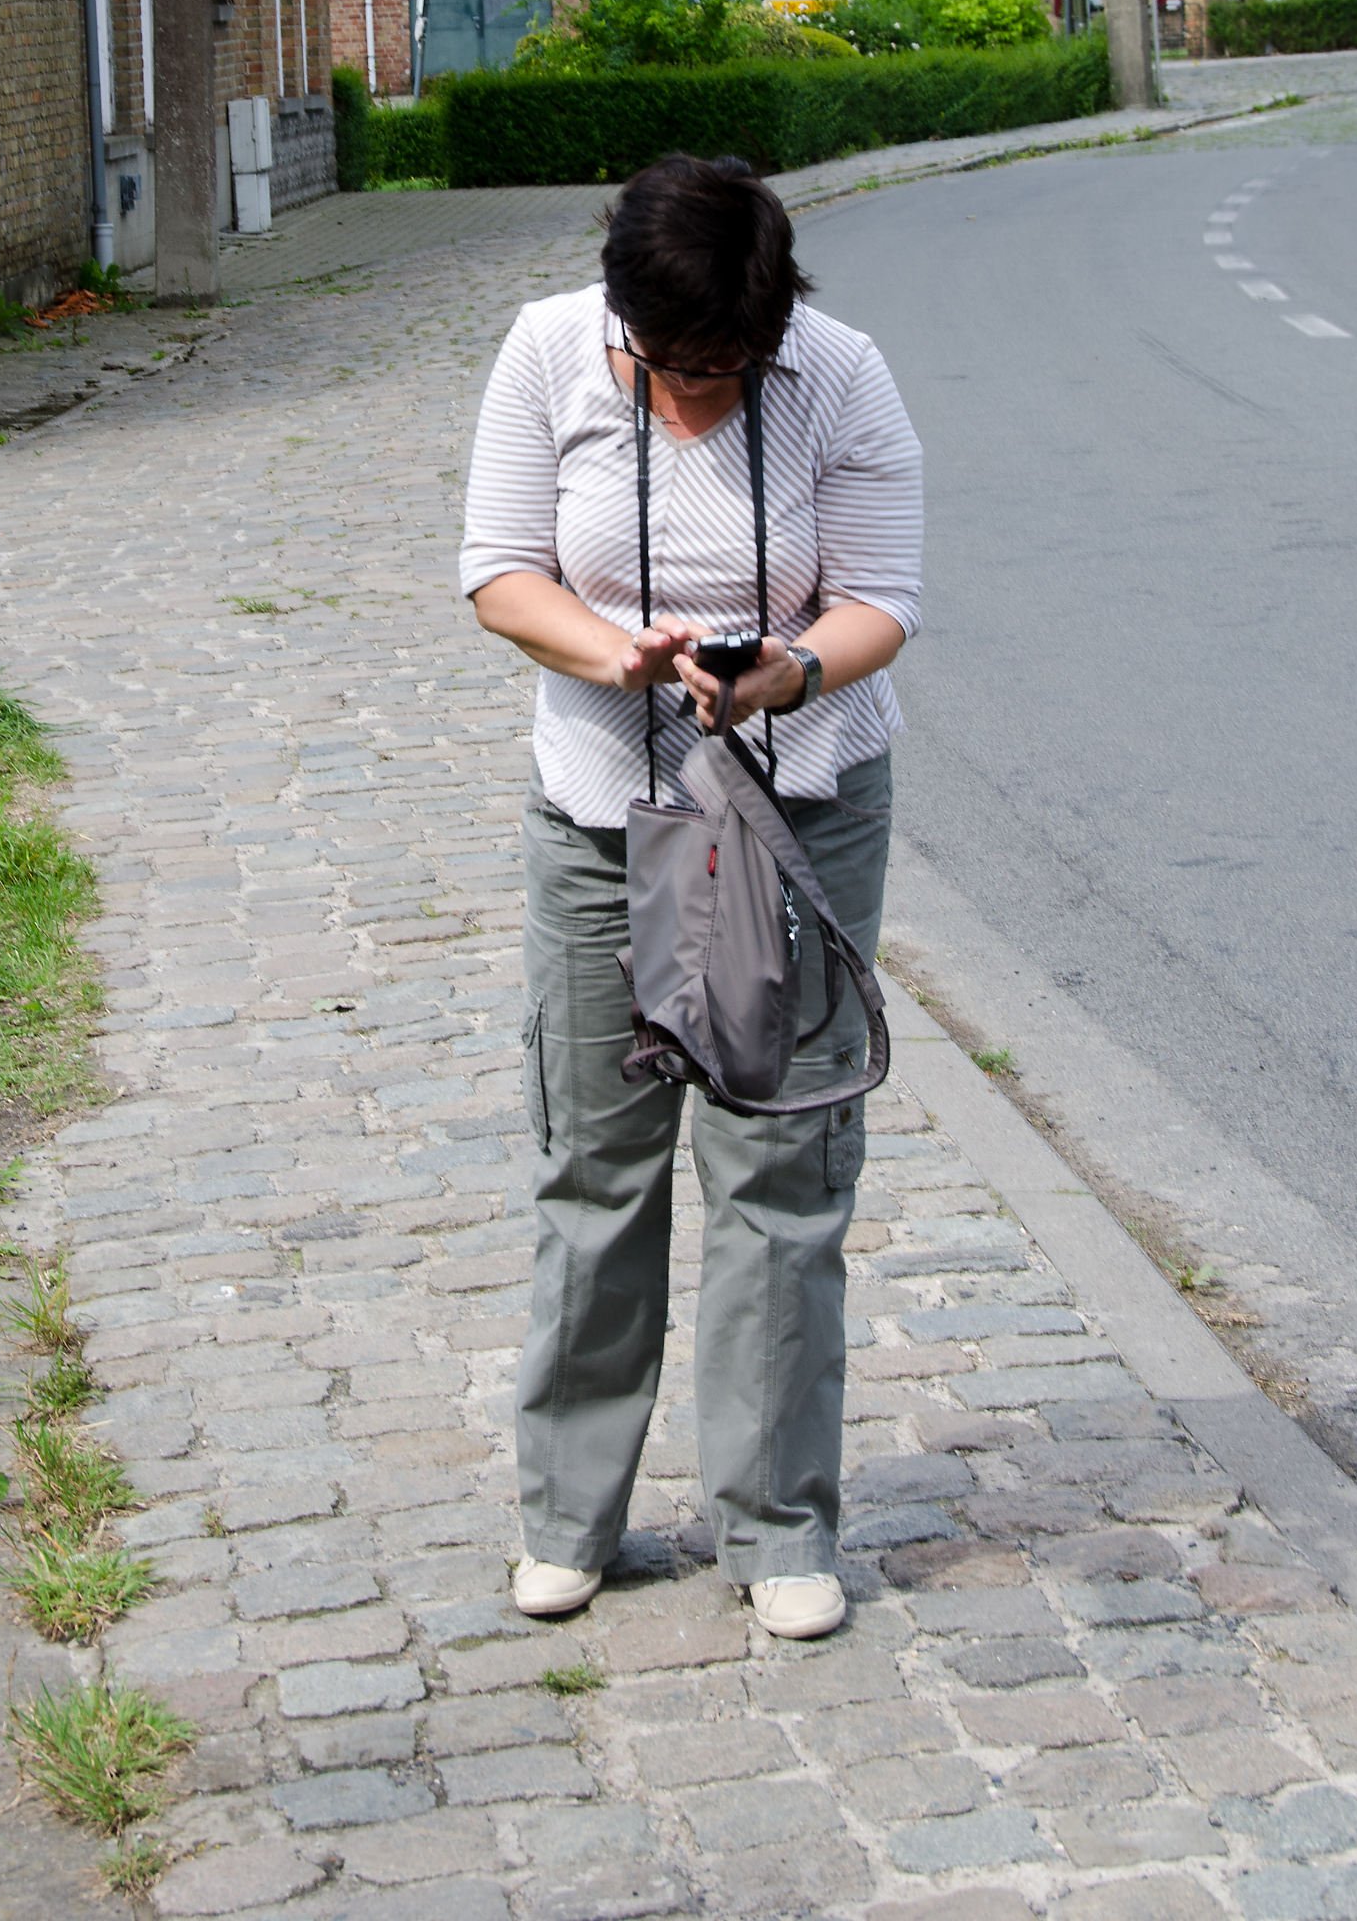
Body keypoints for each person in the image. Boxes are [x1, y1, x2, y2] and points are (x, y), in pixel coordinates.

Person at [461, 151, 923, 1641]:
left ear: (776, 325)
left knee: (782, 1167)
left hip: (799, 817)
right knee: (597, 1167)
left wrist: (791, 670)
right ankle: (568, 1517)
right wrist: (619, 656)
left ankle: (781, 1526)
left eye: (729, 366)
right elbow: (500, 571)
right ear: (622, 320)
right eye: (670, 365)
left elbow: (885, 599)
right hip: (604, 817)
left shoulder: (841, 374)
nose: (698, 393)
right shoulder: (547, 351)